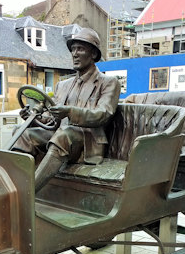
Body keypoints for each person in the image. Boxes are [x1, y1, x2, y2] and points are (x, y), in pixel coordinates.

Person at [12, 28, 121, 191]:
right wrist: (32, 118)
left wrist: (70, 112)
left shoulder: (109, 82)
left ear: (93, 54)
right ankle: (11, 185)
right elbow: (51, 119)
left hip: (87, 142)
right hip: (60, 135)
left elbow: (103, 114)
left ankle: (27, 194)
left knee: (64, 135)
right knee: (22, 133)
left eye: (80, 49)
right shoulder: (62, 85)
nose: (74, 54)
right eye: (73, 49)